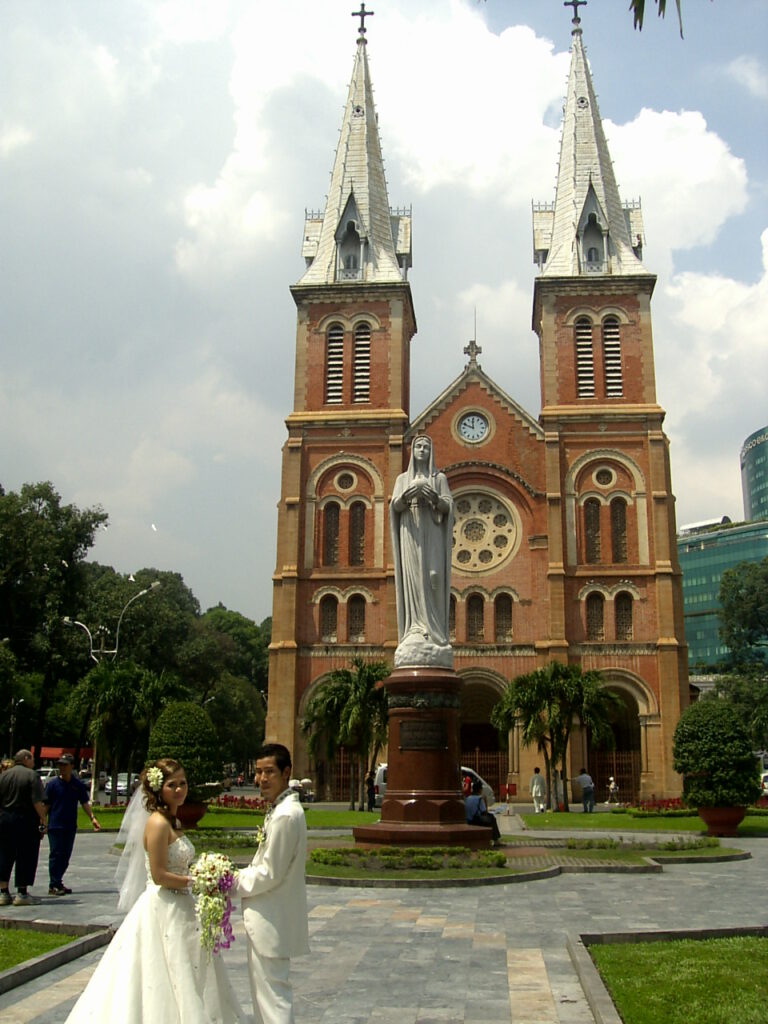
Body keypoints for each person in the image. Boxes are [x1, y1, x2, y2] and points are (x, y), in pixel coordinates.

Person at [65, 758, 246, 1023]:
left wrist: (206, 871)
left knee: (189, 970)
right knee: (163, 973)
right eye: (172, 785)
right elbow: (160, 875)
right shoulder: (158, 823)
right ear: (158, 789)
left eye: (183, 783)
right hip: (163, 905)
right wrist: (198, 881)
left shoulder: (174, 821)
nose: (179, 790)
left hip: (182, 904)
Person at [234, 743, 309, 1024]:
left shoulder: (286, 815)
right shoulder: (280, 810)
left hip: (272, 920)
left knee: (274, 1000)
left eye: (269, 772)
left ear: (286, 772)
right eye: (258, 772)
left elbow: (269, 873)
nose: (261, 779)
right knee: (265, 999)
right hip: (269, 919)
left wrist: (229, 881)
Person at [390, 435, 453, 668]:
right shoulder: (402, 479)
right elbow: (394, 506)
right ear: (412, 451)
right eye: (418, 446)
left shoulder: (439, 479)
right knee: (414, 580)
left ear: (431, 451)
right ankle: (415, 627)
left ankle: (435, 630)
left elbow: (448, 505)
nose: (422, 449)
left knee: (434, 575)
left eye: (427, 446)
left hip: (433, 530)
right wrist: (407, 496)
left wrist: (434, 497)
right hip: (411, 531)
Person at [44, 753, 101, 896]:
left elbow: (84, 803)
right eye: (60, 765)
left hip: (70, 826)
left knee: (65, 856)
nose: (62, 768)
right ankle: (54, 884)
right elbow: (46, 806)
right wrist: (42, 822)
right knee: (56, 854)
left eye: (65, 765)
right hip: (55, 826)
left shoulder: (77, 785)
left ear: (72, 767)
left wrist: (92, 818)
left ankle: (58, 881)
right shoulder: (52, 785)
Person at [0, 749, 47, 906]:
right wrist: (43, 819)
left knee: (5, 854)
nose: (33, 762)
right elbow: (36, 801)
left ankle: (3, 892)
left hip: (5, 819)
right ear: (26, 759)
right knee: (25, 855)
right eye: (32, 758)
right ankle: (22, 892)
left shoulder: (4, 775)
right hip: (25, 820)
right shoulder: (31, 775)